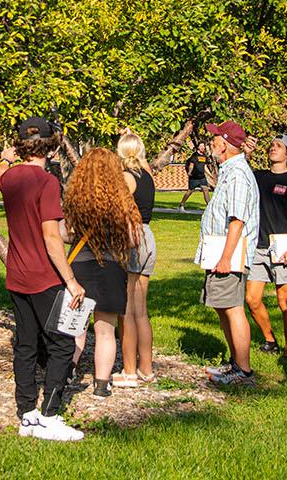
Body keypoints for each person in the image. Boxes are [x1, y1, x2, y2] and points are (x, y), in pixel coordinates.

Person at [0, 117, 87, 442]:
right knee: (63, 344)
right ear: (52, 144)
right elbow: (50, 237)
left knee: (25, 344)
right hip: (44, 277)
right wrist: (72, 280)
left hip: (17, 275)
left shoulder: (9, 179)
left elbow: (53, 229)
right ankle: (49, 415)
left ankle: (27, 415)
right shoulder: (47, 182)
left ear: (21, 144)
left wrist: (6, 157)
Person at [63, 148, 141, 398]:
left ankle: (67, 371)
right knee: (105, 330)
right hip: (111, 268)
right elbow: (131, 239)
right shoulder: (122, 202)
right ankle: (101, 383)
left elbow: (65, 234)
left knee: (76, 327)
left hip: (80, 266)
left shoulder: (76, 199)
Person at [195, 121, 260, 385]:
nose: (211, 143)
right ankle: (235, 363)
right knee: (223, 307)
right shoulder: (228, 170)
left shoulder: (238, 174)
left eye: (214, 139)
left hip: (229, 256)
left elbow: (237, 221)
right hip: (220, 253)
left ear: (224, 143)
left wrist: (225, 257)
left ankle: (243, 371)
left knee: (233, 308)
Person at [247, 135, 287, 360]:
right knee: (252, 299)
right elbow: (242, 171)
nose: (273, 149)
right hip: (258, 247)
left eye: (279, 146)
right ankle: (270, 340)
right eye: (272, 145)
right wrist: (248, 153)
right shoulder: (259, 176)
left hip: (283, 247)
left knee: (284, 300)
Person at [115, 130, 158, 387]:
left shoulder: (126, 177)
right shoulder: (148, 175)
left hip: (131, 237)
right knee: (141, 310)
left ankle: (129, 370)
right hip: (148, 236)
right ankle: (146, 369)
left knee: (127, 310)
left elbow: (117, 209)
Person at [177, 141, 215, 211]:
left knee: (205, 190)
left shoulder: (204, 156)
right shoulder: (194, 155)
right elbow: (191, 165)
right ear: (198, 147)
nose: (203, 147)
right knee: (190, 191)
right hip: (194, 177)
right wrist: (189, 172)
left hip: (202, 177)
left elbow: (205, 167)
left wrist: (210, 175)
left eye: (203, 146)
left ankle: (209, 207)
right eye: (201, 146)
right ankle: (181, 205)